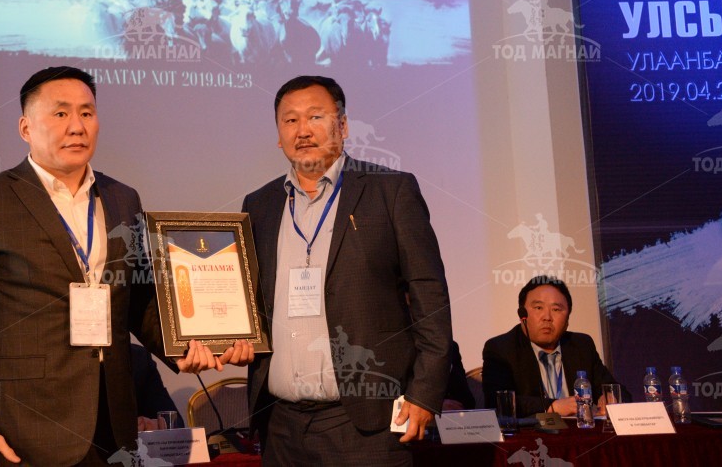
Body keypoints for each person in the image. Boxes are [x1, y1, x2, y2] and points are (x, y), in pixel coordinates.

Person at [0, 66, 251, 467]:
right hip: (22, 429)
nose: (77, 126)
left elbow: (137, 301)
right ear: (26, 128)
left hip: (112, 426)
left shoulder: (122, 199)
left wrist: (185, 348)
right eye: (60, 113)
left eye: (86, 112)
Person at [241, 75, 452, 466]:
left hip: (366, 426)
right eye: (290, 120)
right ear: (279, 136)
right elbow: (250, 301)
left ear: (343, 125)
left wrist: (425, 393)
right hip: (280, 427)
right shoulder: (259, 205)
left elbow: (430, 296)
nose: (302, 130)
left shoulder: (391, 190)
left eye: (315, 117)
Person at [482, 275, 630, 417]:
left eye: (556, 309)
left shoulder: (581, 345)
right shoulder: (500, 348)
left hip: (578, 430)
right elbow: (498, 401)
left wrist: (610, 396)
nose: (547, 317)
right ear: (522, 315)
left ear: (567, 319)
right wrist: (553, 407)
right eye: (538, 308)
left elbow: (618, 390)